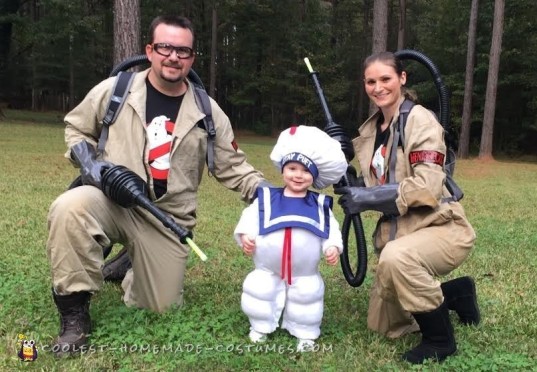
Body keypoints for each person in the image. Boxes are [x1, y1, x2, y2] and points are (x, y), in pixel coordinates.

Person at [46, 15, 269, 355]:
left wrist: (270, 195)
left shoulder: (208, 111)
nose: (173, 56)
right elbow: (77, 128)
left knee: (160, 308)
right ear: (150, 50)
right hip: (110, 200)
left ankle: (131, 263)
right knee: (70, 207)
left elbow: (233, 166)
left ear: (192, 58)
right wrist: (91, 165)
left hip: (167, 218)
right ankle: (75, 314)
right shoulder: (115, 90)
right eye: (165, 47)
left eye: (183, 50)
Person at [334, 51, 480, 364]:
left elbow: (427, 187)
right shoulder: (371, 130)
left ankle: (440, 340)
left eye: (385, 79)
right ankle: (456, 293)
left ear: (402, 78)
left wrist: (367, 199)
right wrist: (346, 177)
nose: (378, 87)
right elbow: (376, 186)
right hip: (401, 233)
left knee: (396, 259)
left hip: (442, 228)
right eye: (370, 81)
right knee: (382, 324)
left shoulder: (420, 120)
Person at [234, 125, 348, 352]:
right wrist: (246, 236)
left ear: (314, 177)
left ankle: (304, 331)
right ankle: (260, 326)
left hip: (304, 271)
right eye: (293, 168)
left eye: (306, 171)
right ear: (283, 169)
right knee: (260, 292)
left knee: (306, 298)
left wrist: (333, 246)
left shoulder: (318, 205)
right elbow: (250, 217)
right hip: (267, 267)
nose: (298, 175)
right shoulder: (267, 199)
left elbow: (330, 227)